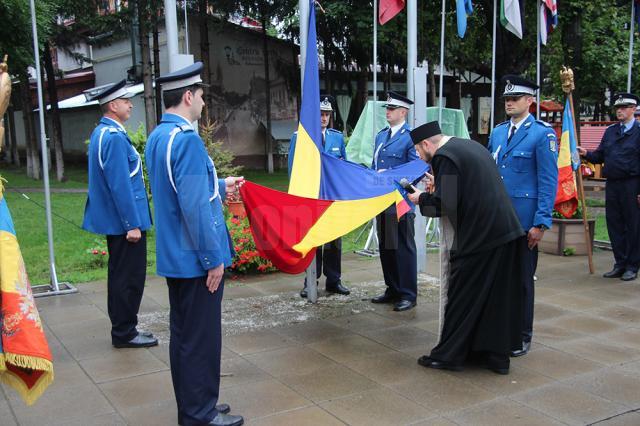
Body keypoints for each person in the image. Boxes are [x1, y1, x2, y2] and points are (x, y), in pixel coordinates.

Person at [145, 62, 244, 426]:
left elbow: (180, 191)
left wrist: (219, 185)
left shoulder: (160, 135)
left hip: (177, 256)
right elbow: (192, 205)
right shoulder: (185, 139)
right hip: (195, 258)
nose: (204, 102)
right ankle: (199, 414)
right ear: (188, 96)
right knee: (199, 339)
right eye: (201, 96)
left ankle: (198, 403)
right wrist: (212, 258)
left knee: (187, 337)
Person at [407, 121, 524, 375]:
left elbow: (445, 205)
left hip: (481, 238)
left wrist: (420, 198)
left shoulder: (444, 156)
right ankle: (494, 357)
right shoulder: (468, 146)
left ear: (427, 144)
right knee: (495, 300)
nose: (419, 156)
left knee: (461, 296)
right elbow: (467, 189)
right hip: (506, 231)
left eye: (417, 150)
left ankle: (447, 356)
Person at [82, 79, 157, 349]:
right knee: (129, 279)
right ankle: (125, 332)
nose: (130, 104)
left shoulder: (104, 133)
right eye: (126, 100)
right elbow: (120, 184)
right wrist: (132, 224)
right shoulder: (113, 137)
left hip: (118, 223)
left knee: (121, 277)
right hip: (124, 224)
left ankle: (125, 329)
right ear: (113, 106)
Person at [487, 75, 558, 357]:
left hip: (524, 220)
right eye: (506, 99)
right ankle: (502, 328)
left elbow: (548, 180)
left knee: (522, 280)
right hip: (499, 219)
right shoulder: (498, 132)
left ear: (530, 101)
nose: (509, 103)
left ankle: (522, 334)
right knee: (500, 279)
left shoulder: (542, 134)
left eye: (515, 98)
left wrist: (541, 222)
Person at [288, 96, 350, 298]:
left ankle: (334, 280)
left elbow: (343, 167)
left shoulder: (337, 137)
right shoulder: (301, 137)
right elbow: (293, 169)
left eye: (327, 114)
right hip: (311, 198)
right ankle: (310, 280)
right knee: (313, 241)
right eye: (321, 114)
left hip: (332, 198)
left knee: (333, 241)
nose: (324, 118)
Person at [578, 93, 640, 282]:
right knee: (614, 224)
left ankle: (632, 265)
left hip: (632, 184)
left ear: (633, 109)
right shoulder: (611, 131)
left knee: (633, 226)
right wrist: (587, 153)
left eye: (623, 107)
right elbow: (600, 156)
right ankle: (619, 263)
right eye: (617, 108)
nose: (619, 111)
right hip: (612, 184)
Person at [370, 91, 419, 312]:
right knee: (387, 247)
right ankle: (392, 288)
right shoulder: (382, 136)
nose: (387, 112)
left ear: (403, 112)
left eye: (391, 109)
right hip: (381, 199)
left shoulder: (411, 137)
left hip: (400, 200)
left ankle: (408, 293)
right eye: (387, 109)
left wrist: (389, 176)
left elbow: (416, 170)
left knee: (403, 247)